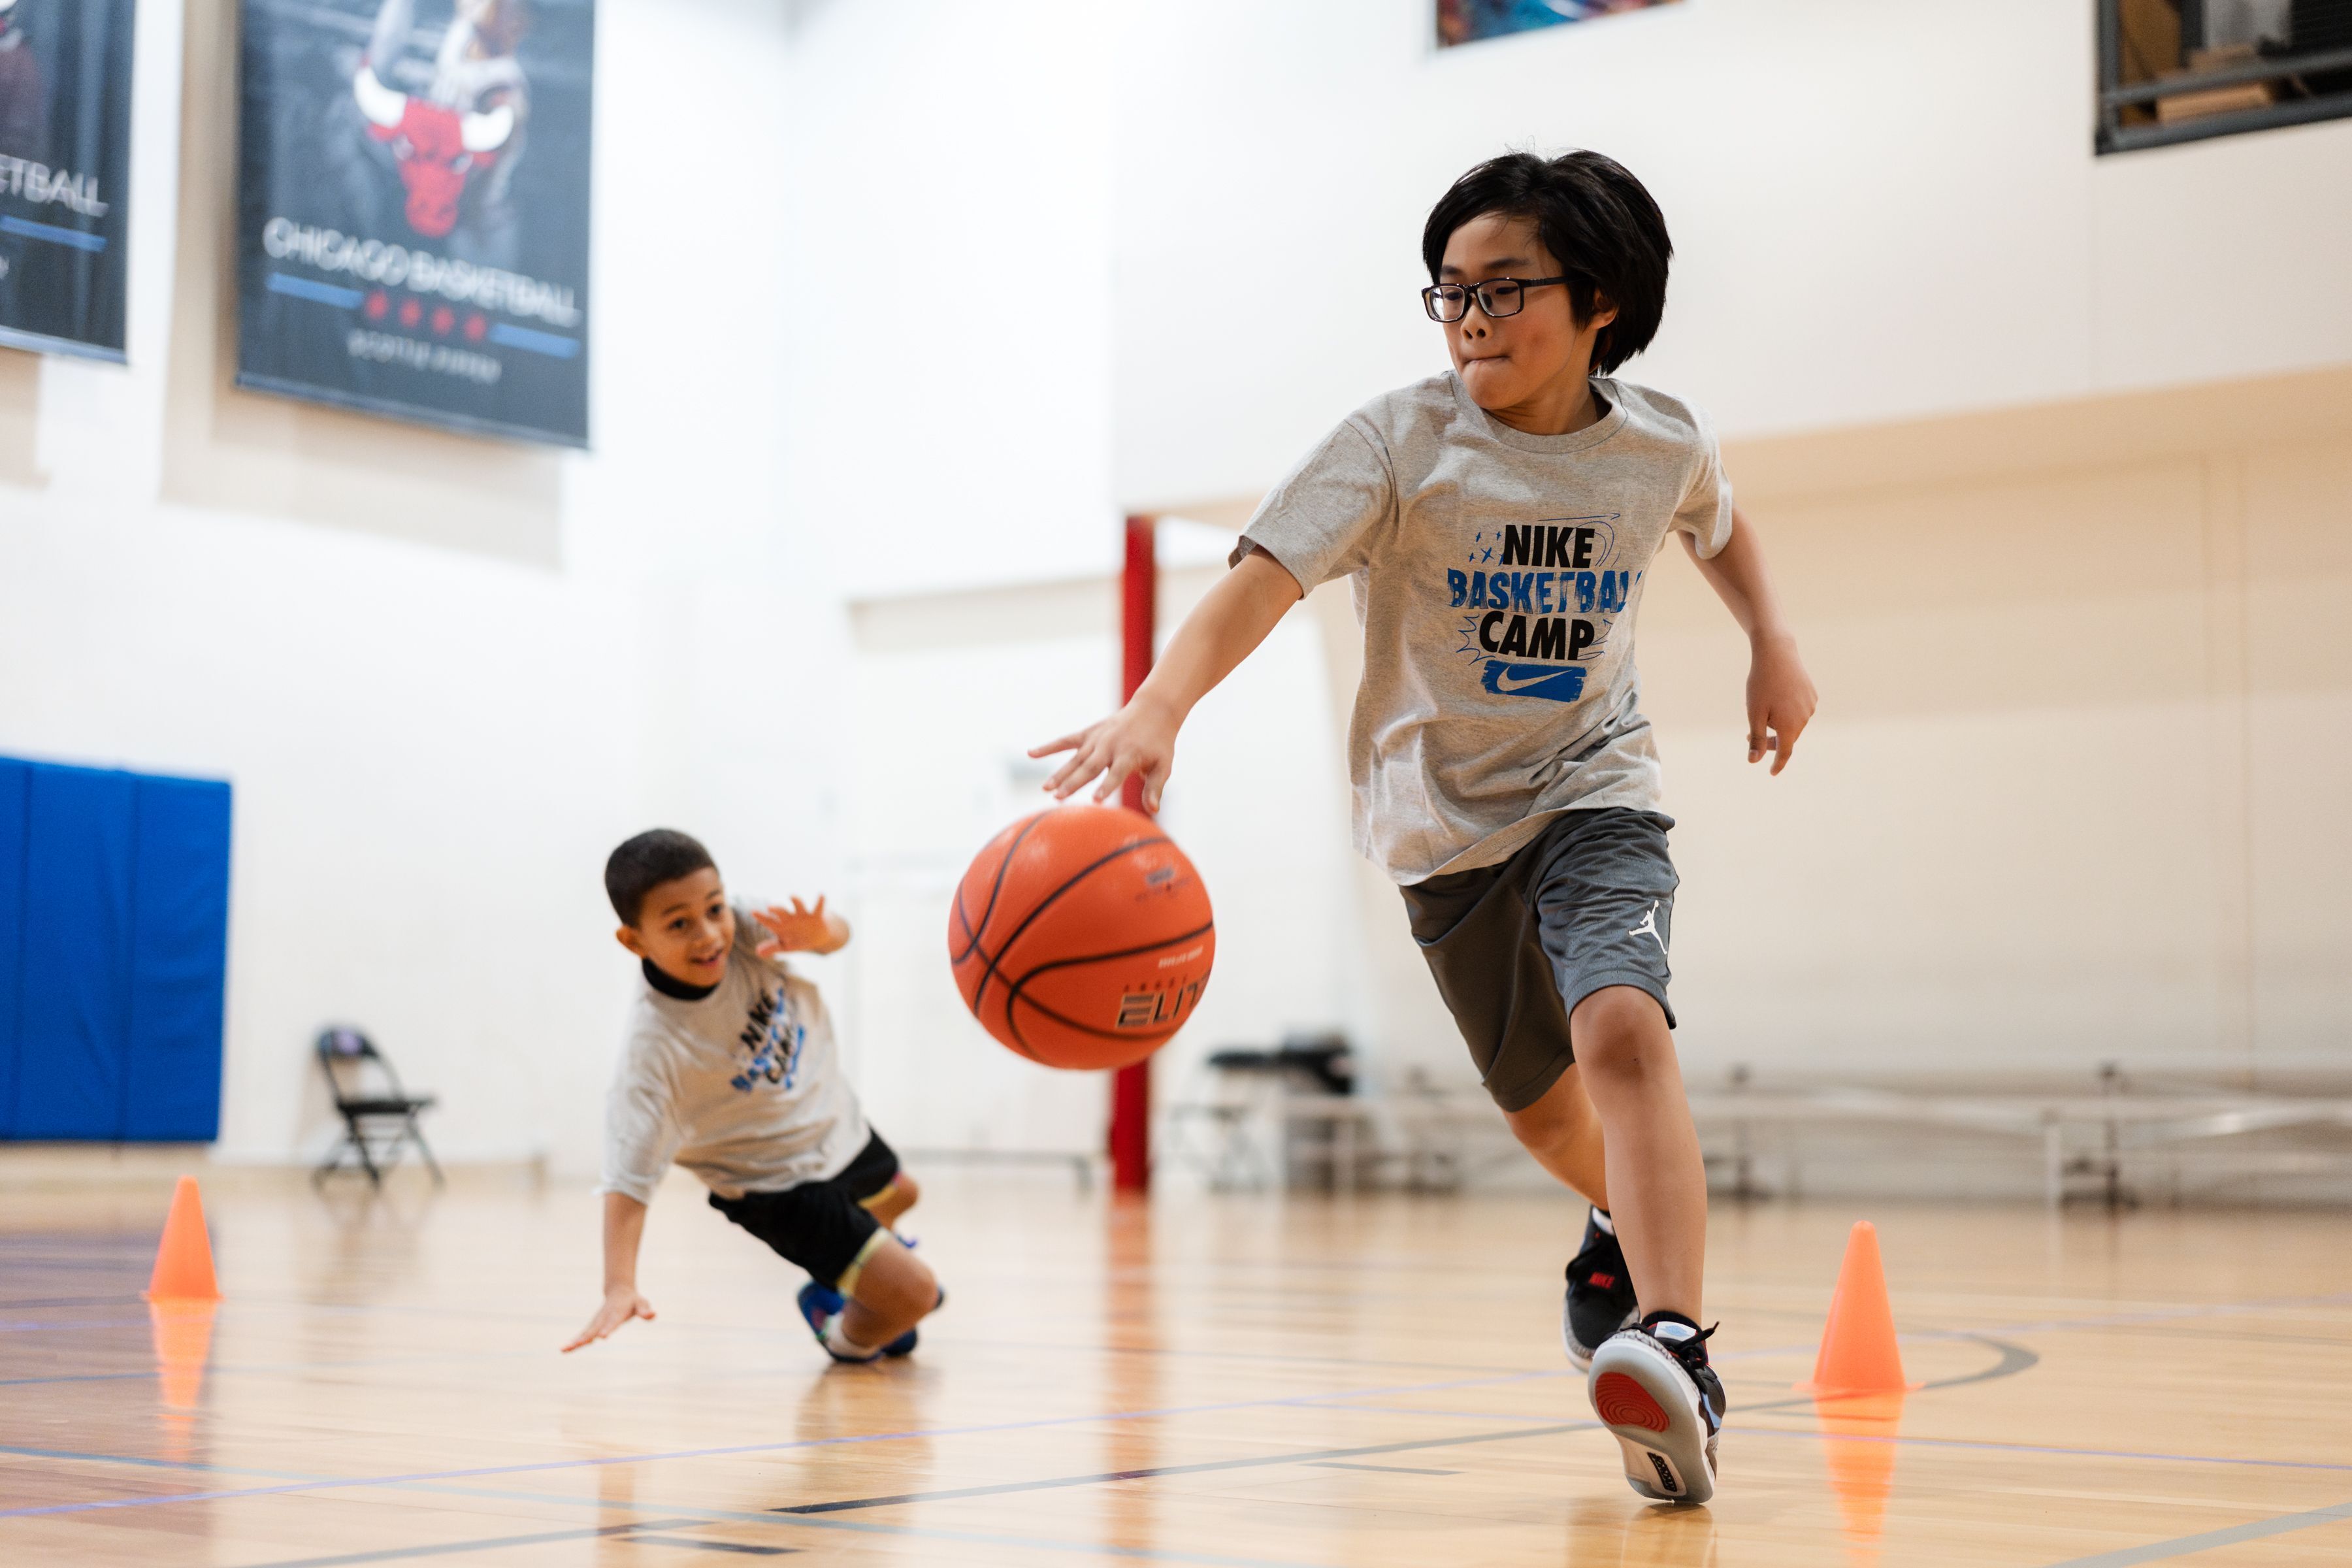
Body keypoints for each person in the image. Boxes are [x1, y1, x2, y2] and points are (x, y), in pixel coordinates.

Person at [1032, 151, 1816, 1504]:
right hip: (1441, 835)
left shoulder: (1659, 443)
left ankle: (1676, 1343)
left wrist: (1774, 642)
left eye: (1504, 290)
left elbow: (1719, 522)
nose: (1469, 319)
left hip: (1593, 791)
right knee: (1550, 1122)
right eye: (1448, 291)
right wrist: (1161, 705)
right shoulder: (1396, 442)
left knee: (1624, 1025)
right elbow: (1259, 582)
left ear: (1603, 302)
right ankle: (1607, 1231)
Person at [563, 828, 942, 1365]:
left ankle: (853, 1289)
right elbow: (628, 1182)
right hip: (773, 1185)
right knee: (914, 1296)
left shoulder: (740, 924)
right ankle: (845, 1333)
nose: (709, 934)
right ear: (635, 941)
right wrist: (618, 1286)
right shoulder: (652, 1058)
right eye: (679, 924)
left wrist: (822, 932)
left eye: (713, 908)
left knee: (902, 1194)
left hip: (824, 1120)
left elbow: (838, 937)